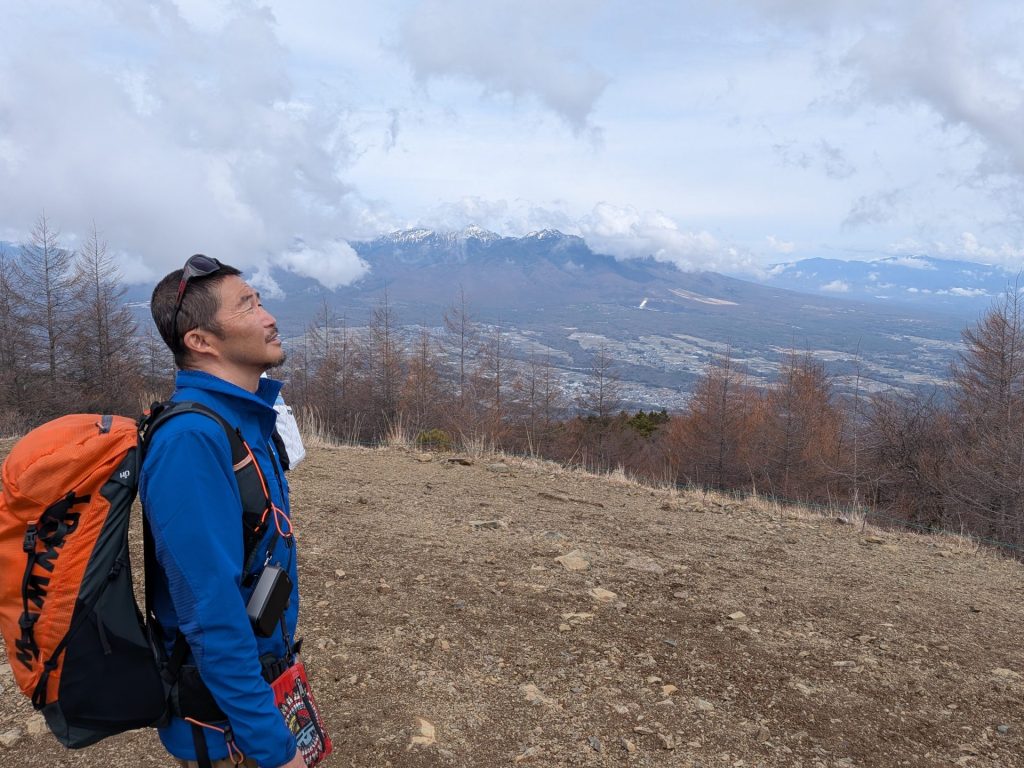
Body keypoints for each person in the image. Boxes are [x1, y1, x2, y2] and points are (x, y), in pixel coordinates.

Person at [142, 254, 305, 768]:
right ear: (202, 342)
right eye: (248, 306)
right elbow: (210, 615)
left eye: (260, 300)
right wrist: (272, 748)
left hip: (258, 689)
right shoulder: (192, 441)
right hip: (226, 729)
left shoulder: (245, 419)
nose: (269, 316)